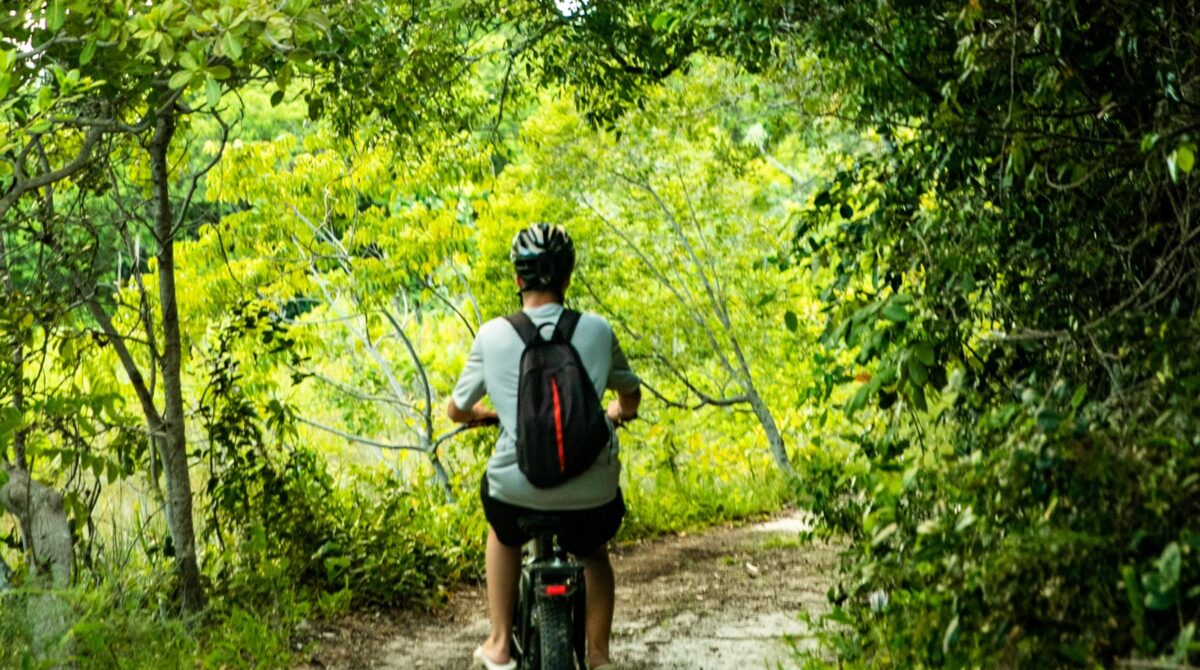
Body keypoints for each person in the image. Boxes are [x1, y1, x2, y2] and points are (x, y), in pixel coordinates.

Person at [447, 223, 642, 670]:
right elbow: (630, 397)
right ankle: (599, 656)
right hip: (590, 491)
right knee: (593, 550)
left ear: (518, 279)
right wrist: (616, 413)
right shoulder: (596, 330)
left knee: (502, 532)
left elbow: (457, 410)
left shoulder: (493, 335)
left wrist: (483, 416)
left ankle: (498, 645)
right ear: (567, 278)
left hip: (516, 489)